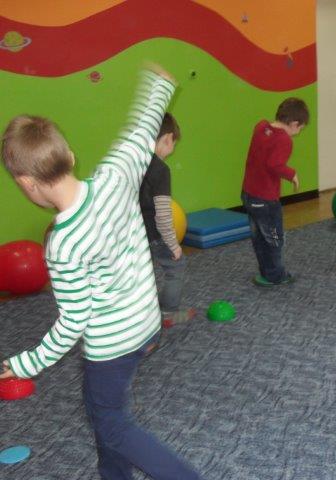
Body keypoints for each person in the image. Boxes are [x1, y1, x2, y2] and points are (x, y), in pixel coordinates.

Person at [0, 66, 202, 480]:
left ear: (27, 183)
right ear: (71, 157)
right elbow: (141, 131)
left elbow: (73, 321)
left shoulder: (63, 244)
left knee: (113, 425)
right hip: (145, 323)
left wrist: (25, 363)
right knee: (100, 409)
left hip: (112, 346)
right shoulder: (115, 175)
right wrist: (160, 85)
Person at [241, 97, 308, 286]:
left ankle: (267, 271)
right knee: (274, 238)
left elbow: (265, 157)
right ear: (294, 124)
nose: (299, 132)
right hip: (265, 200)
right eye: (301, 128)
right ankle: (276, 275)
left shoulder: (261, 126)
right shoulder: (284, 139)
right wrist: (292, 174)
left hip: (248, 194)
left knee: (258, 237)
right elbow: (274, 164)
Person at [140, 113, 196, 327]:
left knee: (140, 275)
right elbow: (163, 215)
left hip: (131, 233)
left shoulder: (134, 162)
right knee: (176, 266)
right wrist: (173, 245)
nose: (172, 149)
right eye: (173, 143)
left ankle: (140, 316)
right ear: (167, 138)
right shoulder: (160, 169)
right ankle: (167, 313)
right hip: (153, 233)